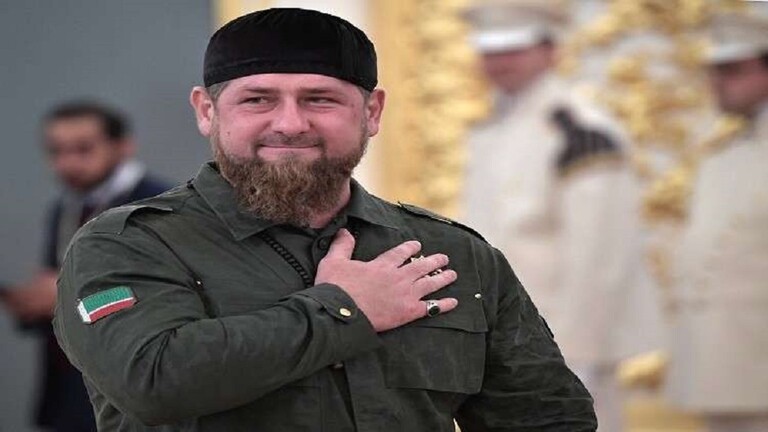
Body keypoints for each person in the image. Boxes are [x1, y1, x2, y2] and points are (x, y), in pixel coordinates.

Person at [53, 8, 596, 431]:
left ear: (372, 112)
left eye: (320, 99)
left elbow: (548, 419)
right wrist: (344, 309)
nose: (290, 124)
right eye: (258, 100)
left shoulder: (452, 254)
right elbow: (153, 382)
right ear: (207, 111)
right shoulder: (126, 245)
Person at [461, 1, 659, 430]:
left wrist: (574, 355)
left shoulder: (580, 130)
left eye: (513, 49)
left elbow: (601, 257)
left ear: (550, 50)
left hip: (562, 343)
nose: (499, 61)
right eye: (490, 50)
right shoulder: (491, 129)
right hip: (502, 339)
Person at [0, 101, 169, 432]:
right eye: (56, 151)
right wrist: (34, 304)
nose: (67, 163)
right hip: (69, 393)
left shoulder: (158, 204)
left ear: (123, 146)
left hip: (130, 396)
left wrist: (67, 296)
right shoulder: (64, 208)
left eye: (83, 149)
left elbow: (166, 296)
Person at [665, 10, 768, 432]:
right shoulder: (724, 157)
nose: (718, 81)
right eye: (715, 70)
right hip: (723, 359)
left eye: (733, 69)